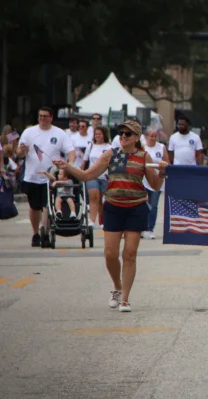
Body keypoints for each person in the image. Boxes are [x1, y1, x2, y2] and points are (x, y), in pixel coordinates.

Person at [53, 120, 168, 312]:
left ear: (137, 137)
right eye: (121, 133)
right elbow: (86, 176)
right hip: (113, 207)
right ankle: (117, 287)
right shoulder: (110, 154)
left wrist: (162, 172)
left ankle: (125, 299)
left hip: (136, 208)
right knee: (110, 254)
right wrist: (67, 166)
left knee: (129, 254)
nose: (123, 136)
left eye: (128, 134)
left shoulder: (144, 156)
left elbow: (155, 185)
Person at [17, 107, 75, 247]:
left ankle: (45, 233)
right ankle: (35, 233)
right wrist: (22, 151)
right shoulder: (29, 132)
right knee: (34, 207)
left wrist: (70, 165)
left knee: (47, 205)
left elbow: (70, 151)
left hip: (51, 177)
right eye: (40, 116)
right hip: (32, 175)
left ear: (51, 117)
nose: (42, 119)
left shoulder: (59, 133)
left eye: (45, 116)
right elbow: (19, 153)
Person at [84, 126, 111, 231]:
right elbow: (85, 160)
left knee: (104, 200)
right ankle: (91, 220)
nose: (98, 136)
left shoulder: (109, 147)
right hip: (92, 175)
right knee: (94, 196)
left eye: (100, 134)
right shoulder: (91, 145)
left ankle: (103, 220)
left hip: (105, 176)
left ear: (104, 135)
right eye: (96, 134)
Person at [142, 130, 169, 240]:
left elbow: (167, 162)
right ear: (146, 137)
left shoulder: (161, 147)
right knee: (143, 205)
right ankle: (141, 228)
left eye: (155, 136)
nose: (153, 138)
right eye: (151, 136)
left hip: (157, 180)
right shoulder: (143, 147)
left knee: (153, 205)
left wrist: (161, 168)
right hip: (144, 180)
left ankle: (150, 229)